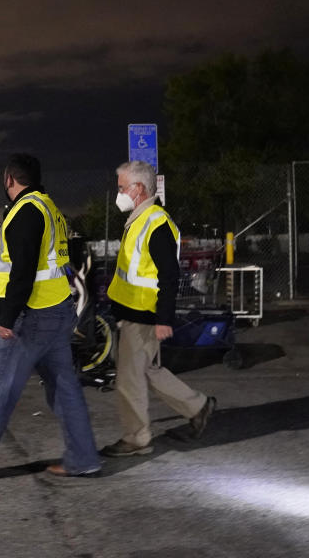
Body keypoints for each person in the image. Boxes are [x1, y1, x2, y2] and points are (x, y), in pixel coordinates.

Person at [0, 154, 101, 479]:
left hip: (31, 317)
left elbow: (23, 272)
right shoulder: (49, 208)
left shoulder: (25, 213)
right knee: (65, 388)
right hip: (56, 311)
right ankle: (84, 458)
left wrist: (9, 318)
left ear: (10, 180)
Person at [101, 160, 215, 457]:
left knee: (129, 379)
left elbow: (169, 275)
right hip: (135, 313)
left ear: (138, 189)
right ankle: (199, 406)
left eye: (122, 187)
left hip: (143, 317)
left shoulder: (155, 223)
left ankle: (136, 439)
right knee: (149, 370)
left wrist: (164, 318)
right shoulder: (142, 219)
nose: (120, 193)